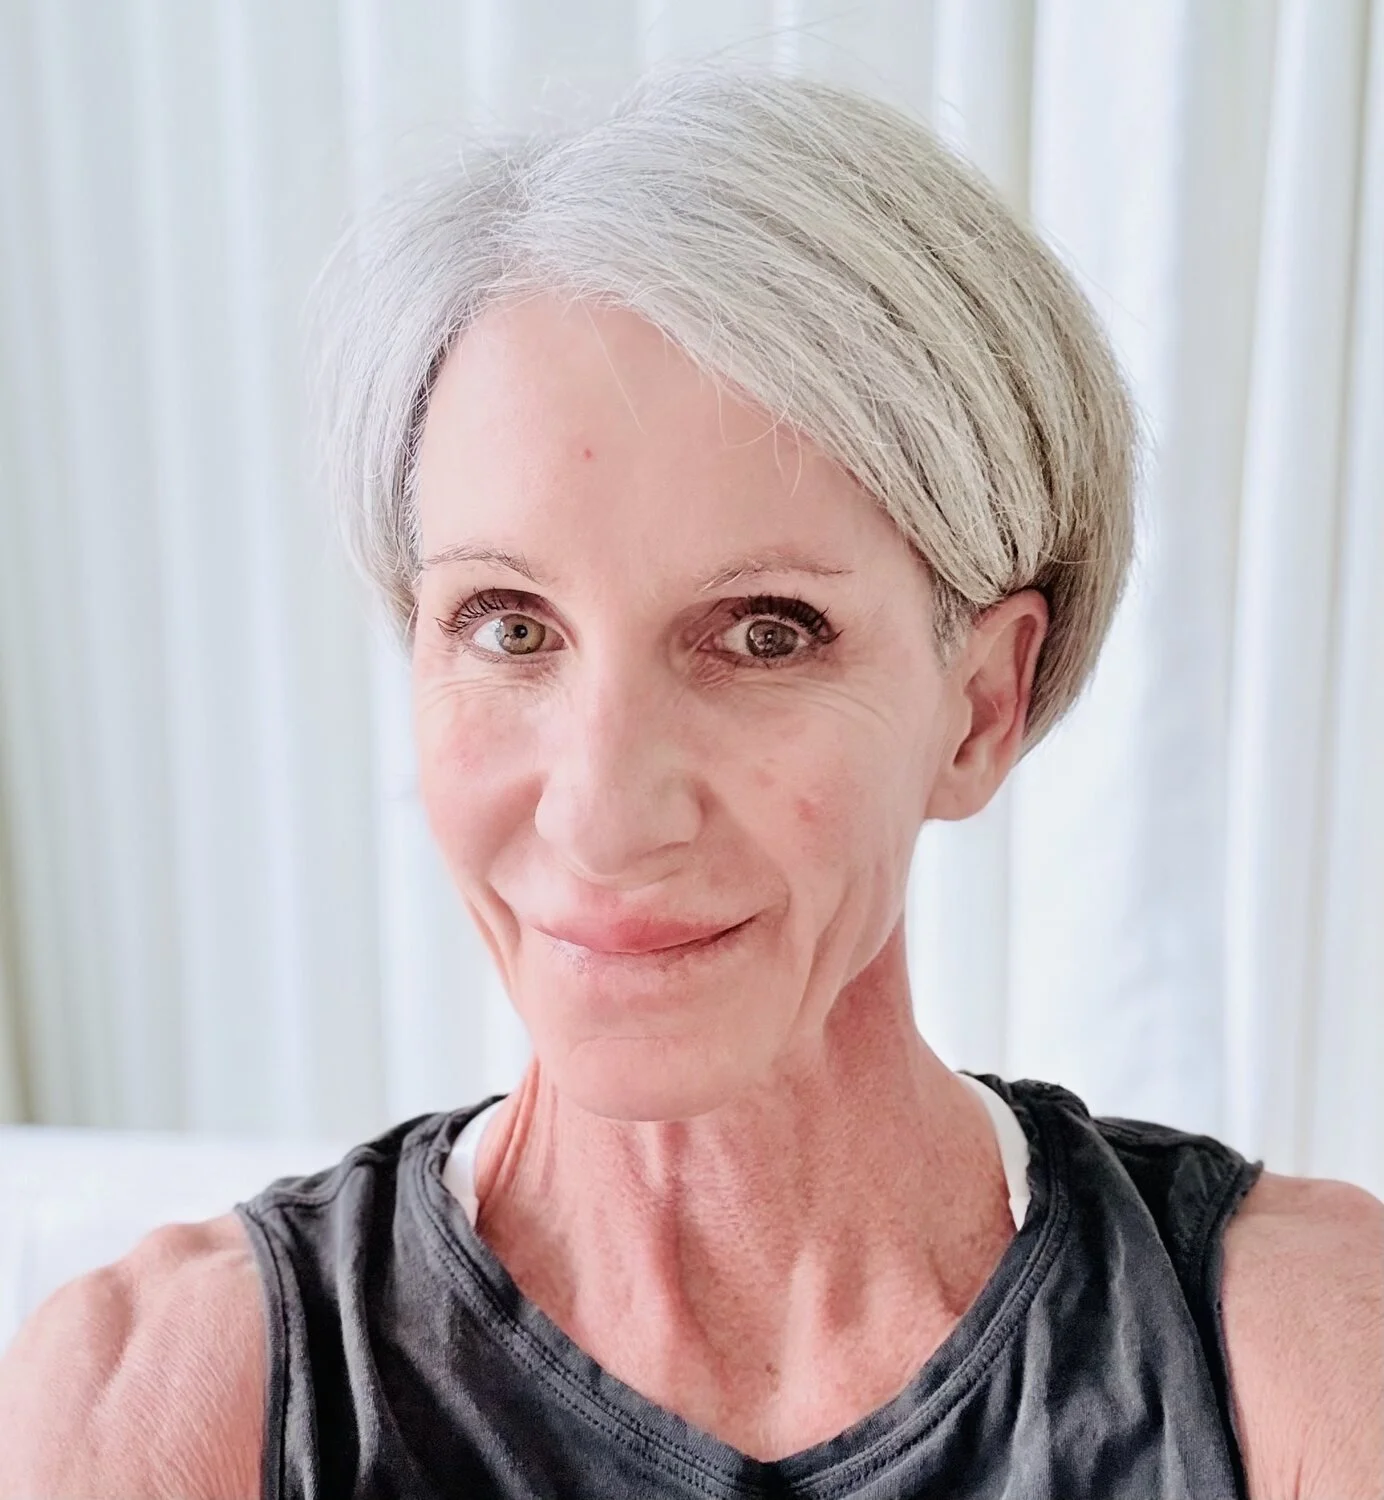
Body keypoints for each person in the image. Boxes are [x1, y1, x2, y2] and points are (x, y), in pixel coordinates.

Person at [1, 64, 1380, 1500]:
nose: (602, 809)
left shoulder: (1305, 1362)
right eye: (509, 624)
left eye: (764, 634)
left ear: (981, 705)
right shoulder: (157, 1405)